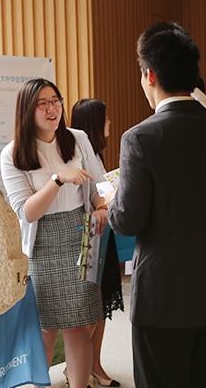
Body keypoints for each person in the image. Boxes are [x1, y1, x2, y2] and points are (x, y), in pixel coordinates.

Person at [107, 22, 206, 388]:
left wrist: (113, 200)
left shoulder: (140, 138)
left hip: (162, 298)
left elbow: (128, 220)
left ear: (150, 75)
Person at [0, 78, 109, 388]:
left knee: (79, 324)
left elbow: (100, 185)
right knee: (45, 327)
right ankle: (37, 383)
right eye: (42, 103)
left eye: (56, 101)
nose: (52, 109)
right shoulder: (13, 153)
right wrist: (57, 180)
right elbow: (27, 212)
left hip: (81, 235)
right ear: (26, 110)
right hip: (42, 243)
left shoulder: (78, 138)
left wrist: (101, 206)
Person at [70, 98, 124, 388]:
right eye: (105, 118)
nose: (109, 123)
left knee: (101, 305)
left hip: (103, 235)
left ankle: (94, 365)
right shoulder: (79, 156)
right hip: (89, 239)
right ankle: (79, 367)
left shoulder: (96, 156)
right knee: (89, 307)